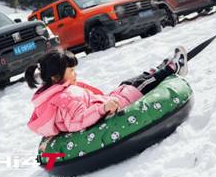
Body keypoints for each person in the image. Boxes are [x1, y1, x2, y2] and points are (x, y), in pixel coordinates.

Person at [26, 46, 188, 136]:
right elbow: (78, 120)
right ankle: (172, 68)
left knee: (129, 83)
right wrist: (102, 108)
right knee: (138, 86)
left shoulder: (54, 95)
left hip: (108, 100)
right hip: (115, 106)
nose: (75, 74)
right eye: (72, 71)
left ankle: (159, 69)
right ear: (55, 77)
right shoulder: (66, 98)